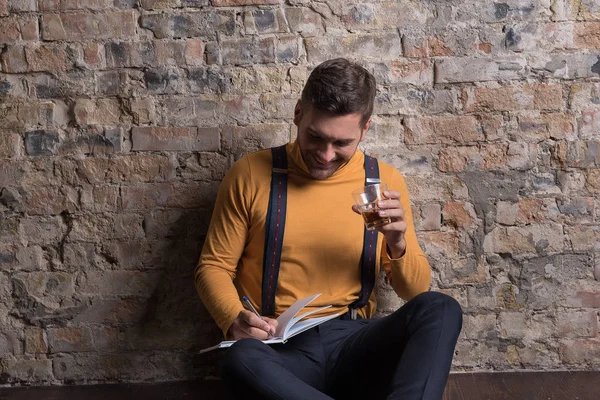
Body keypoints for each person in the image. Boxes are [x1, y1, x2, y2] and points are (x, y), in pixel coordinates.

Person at [194, 58, 462, 400]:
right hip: (282, 351)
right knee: (240, 359)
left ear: (364, 130)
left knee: (440, 308)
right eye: (315, 137)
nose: (324, 155)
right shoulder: (250, 175)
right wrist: (234, 318)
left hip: (355, 343)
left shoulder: (382, 182)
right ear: (298, 114)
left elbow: (415, 291)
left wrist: (397, 241)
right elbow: (213, 267)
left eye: (341, 144)